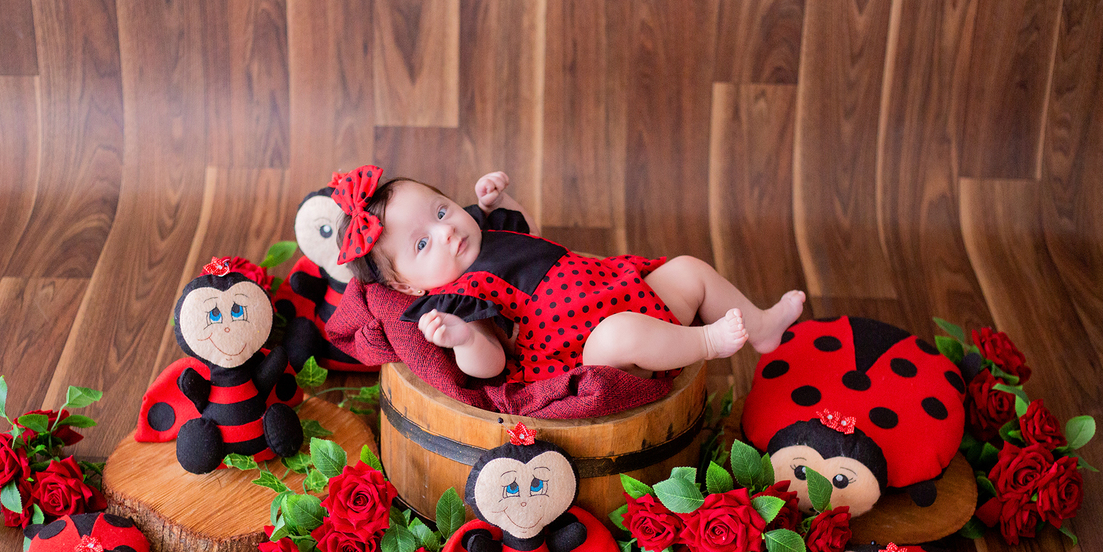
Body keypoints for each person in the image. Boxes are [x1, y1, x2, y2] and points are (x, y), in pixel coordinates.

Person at [330, 164, 805, 383]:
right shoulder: (455, 299)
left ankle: (761, 328)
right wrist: (463, 340)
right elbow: (491, 364)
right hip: (580, 351)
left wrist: (504, 203)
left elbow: (535, 240)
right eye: (421, 244)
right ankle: (707, 343)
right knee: (620, 335)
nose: (445, 232)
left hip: (615, 291)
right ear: (407, 286)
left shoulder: (484, 229)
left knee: (687, 269)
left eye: (440, 211)